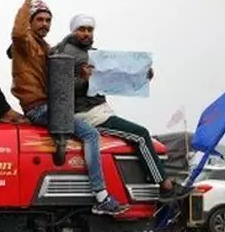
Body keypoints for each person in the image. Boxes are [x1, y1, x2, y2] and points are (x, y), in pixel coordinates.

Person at [8, 0, 127, 215]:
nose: (44, 24)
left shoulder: (44, 47)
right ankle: (101, 195)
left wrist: (83, 75)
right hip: (39, 108)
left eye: (48, 20)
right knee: (90, 134)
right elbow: (17, 33)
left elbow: (60, 58)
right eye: (39, 19)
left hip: (49, 106)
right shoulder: (25, 42)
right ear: (30, 21)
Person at [52, 13, 191, 202]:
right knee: (141, 135)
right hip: (88, 115)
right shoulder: (67, 55)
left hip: (100, 110)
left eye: (89, 30)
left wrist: (140, 76)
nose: (86, 33)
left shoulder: (94, 54)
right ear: (73, 31)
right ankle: (164, 186)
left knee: (137, 135)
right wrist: (83, 80)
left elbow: (113, 77)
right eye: (81, 29)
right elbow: (60, 88)